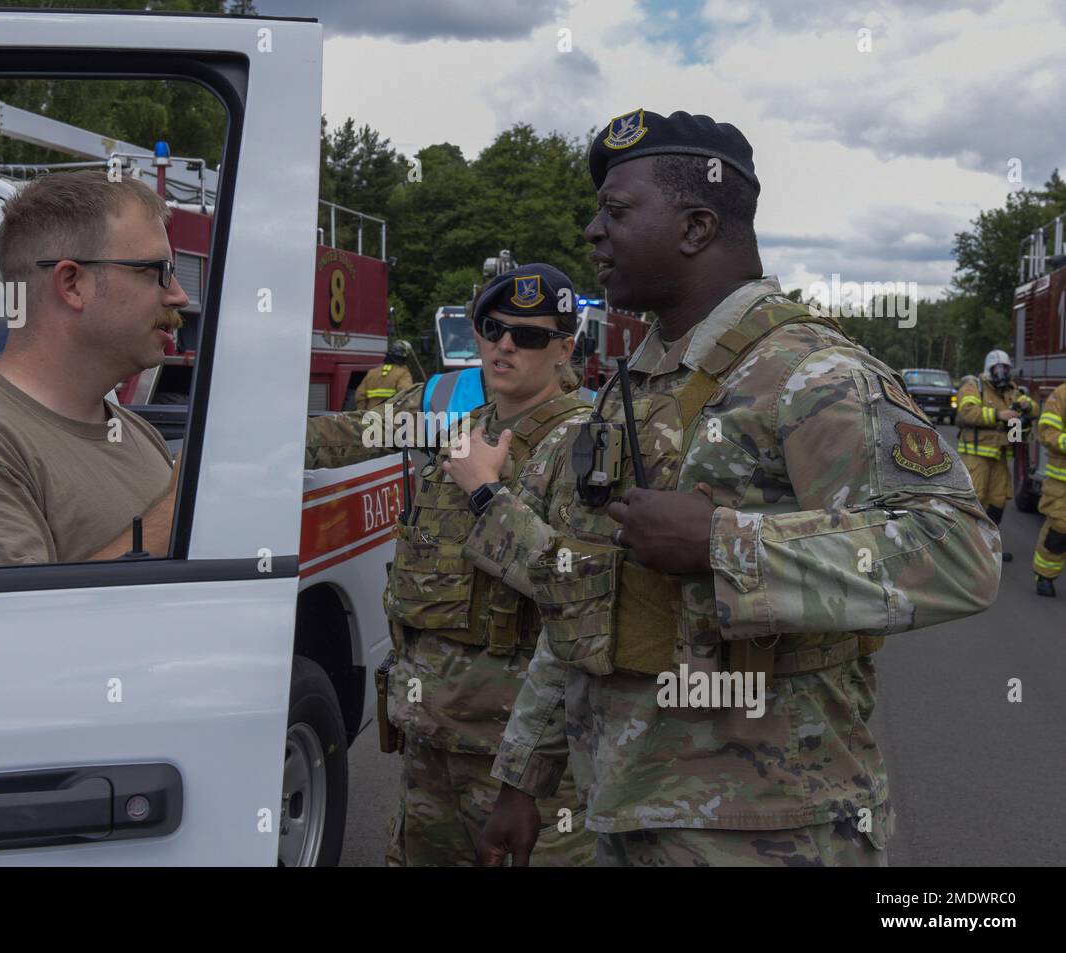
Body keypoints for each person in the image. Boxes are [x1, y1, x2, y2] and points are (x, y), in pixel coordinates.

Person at [463, 109, 1001, 867]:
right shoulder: (639, 383)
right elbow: (589, 599)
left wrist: (721, 544)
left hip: (774, 828)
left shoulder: (811, 372)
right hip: (629, 810)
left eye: (616, 212)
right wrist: (525, 776)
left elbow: (962, 553)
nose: (592, 231)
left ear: (695, 227)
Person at [305, 264, 597, 866]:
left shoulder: (590, 443)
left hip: (525, 764)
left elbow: (577, 589)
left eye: (531, 335)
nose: (506, 344)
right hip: (429, 743)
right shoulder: (452, 418)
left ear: (565, 349)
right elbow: (347, 435)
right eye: (493, 328)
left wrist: (488, 494)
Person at [0, 170, 187, 571]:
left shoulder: (132, 430)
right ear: (73, 283)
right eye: (156, 271)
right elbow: (13, 630)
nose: (178, 295)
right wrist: (176, 509)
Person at [955, 350, 1038, 561]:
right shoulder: (974, 385)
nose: (1002, 373)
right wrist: (998, 415)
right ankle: (965, 551)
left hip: (1000, 456)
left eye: (1005, 369)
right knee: (975, 501)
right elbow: (967, 412)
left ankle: (989, 549)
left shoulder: (1013, 390)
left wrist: (1028, 406)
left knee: (999, 500)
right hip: (976, 456)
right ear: (988, 369)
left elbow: (1035, 410)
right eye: (998, 369)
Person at [1033, 381, 1066, 596]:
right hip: (1062, 481)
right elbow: (1046, 431)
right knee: (1059, 529)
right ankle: (1044, 576)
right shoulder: (1061, 394)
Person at [355, 341, 416, 411]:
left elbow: (359, 396)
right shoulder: (403, 373)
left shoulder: (372, 372)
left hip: (372, 414)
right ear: (404, 358)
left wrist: (362, 413)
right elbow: (406, 395)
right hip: (391, 415)